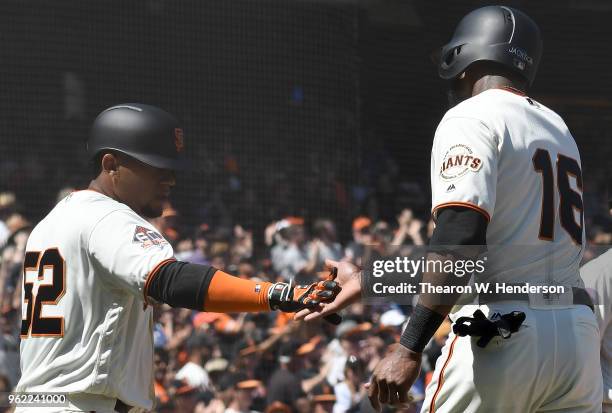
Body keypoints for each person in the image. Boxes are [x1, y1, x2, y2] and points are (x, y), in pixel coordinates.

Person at [298, 6, 603, 412]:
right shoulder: (558, 128)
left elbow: (460, 242)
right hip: (576, 339)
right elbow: (511, 256)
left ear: (463, 59)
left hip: (504, 332)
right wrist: (372, 278)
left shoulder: (470, 115)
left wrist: (409, 348)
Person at [16, 103, 340, 413]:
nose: (169, 179)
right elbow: (171, 280)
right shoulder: (108, 217)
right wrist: (278, 294)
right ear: (111, 165)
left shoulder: (52, 222)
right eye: (154, 167)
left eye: (169, 169)